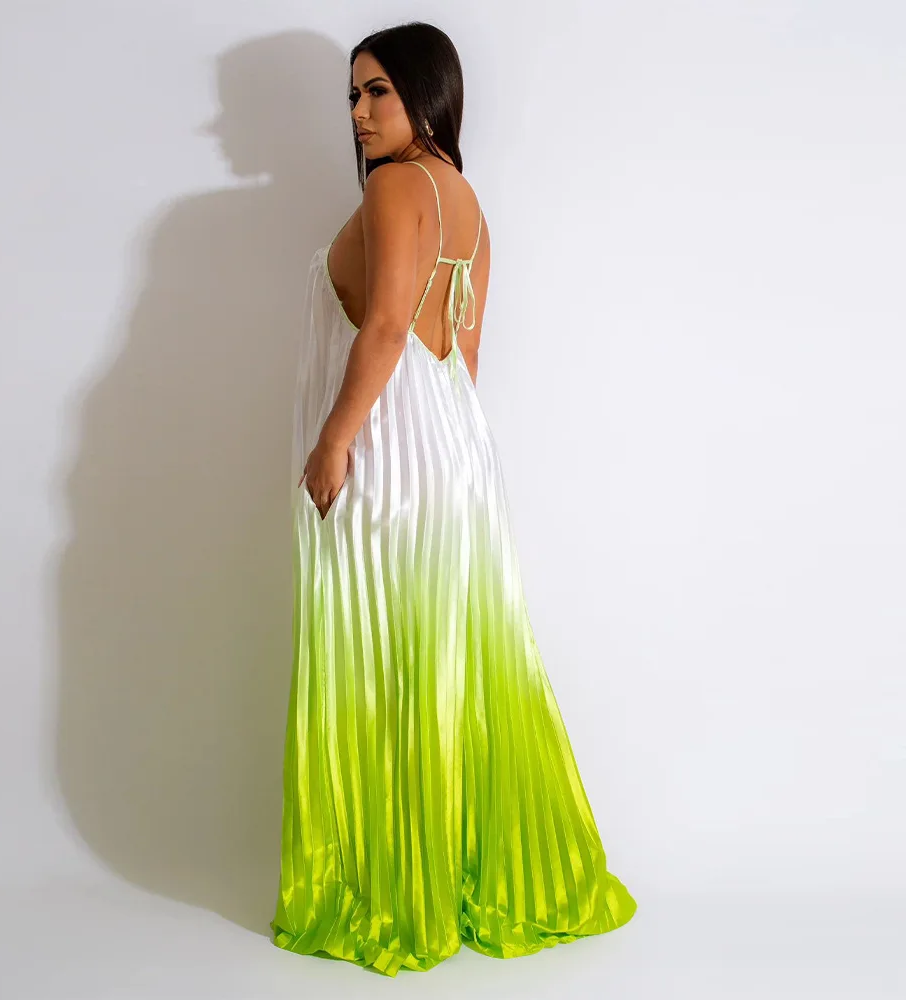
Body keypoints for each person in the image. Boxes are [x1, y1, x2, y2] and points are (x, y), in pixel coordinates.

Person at [269, 21, 637, 976]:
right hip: (453, 450)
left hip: (387, 449)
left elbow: (389, 325)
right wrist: (445, 456)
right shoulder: (466, 201)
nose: (358, 113)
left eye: (378, 91)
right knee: (448, 662)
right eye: (352, 95)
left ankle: (396, 892)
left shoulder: (397, 186)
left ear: (427, 91)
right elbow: (464, 351)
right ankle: (454, 873)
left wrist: (335, 440)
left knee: (385, 662)